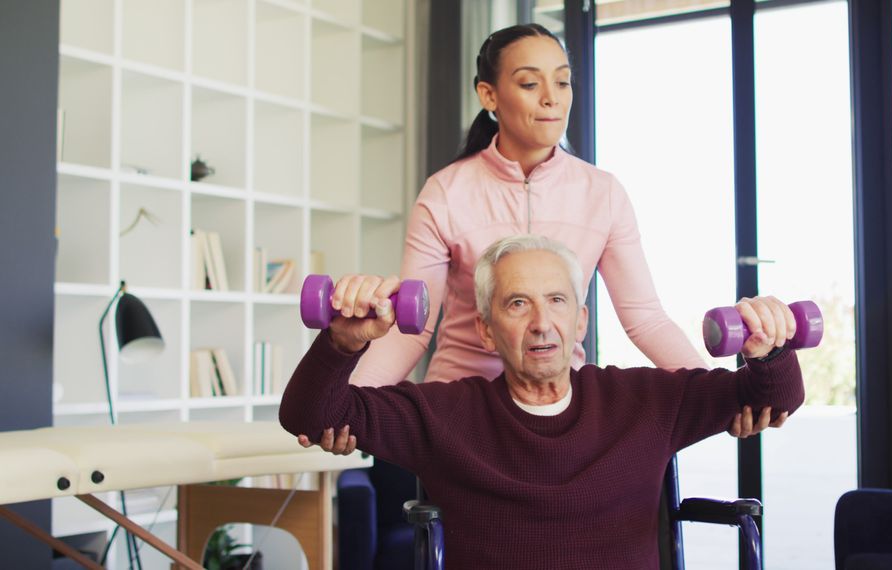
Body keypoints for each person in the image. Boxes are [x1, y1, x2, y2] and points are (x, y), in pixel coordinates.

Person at [299, 23, 782, 456]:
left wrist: (720, 396)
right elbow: (414, 326)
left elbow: (645, 319)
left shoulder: (603, 193)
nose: (552, 97)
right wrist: (342, 406)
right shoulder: (446, 192)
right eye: (530, 83)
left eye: (563, 81)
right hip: (462, 412)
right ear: (489, 96)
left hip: (556, 404)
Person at [280, 235, 805, 569]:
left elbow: (776, 399)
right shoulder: (442, 414)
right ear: (485, 330)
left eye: (557, 301)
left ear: (579, 320)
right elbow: (310, 416)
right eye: (516, 304)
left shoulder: (647, 400)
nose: (540, 322)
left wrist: (770, 347)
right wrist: (344, 341)